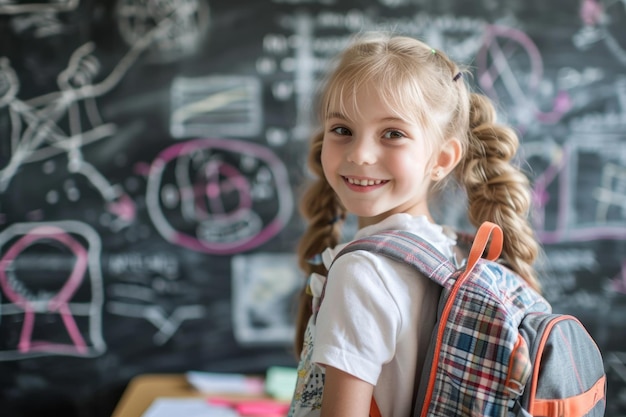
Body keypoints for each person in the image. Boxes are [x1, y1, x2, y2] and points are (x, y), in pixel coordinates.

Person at [288, 31, 542, 417]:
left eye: (393, 134)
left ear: (442, 158)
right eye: (342, 130)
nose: (359, 153)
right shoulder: (454, 253)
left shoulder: (361, 272)